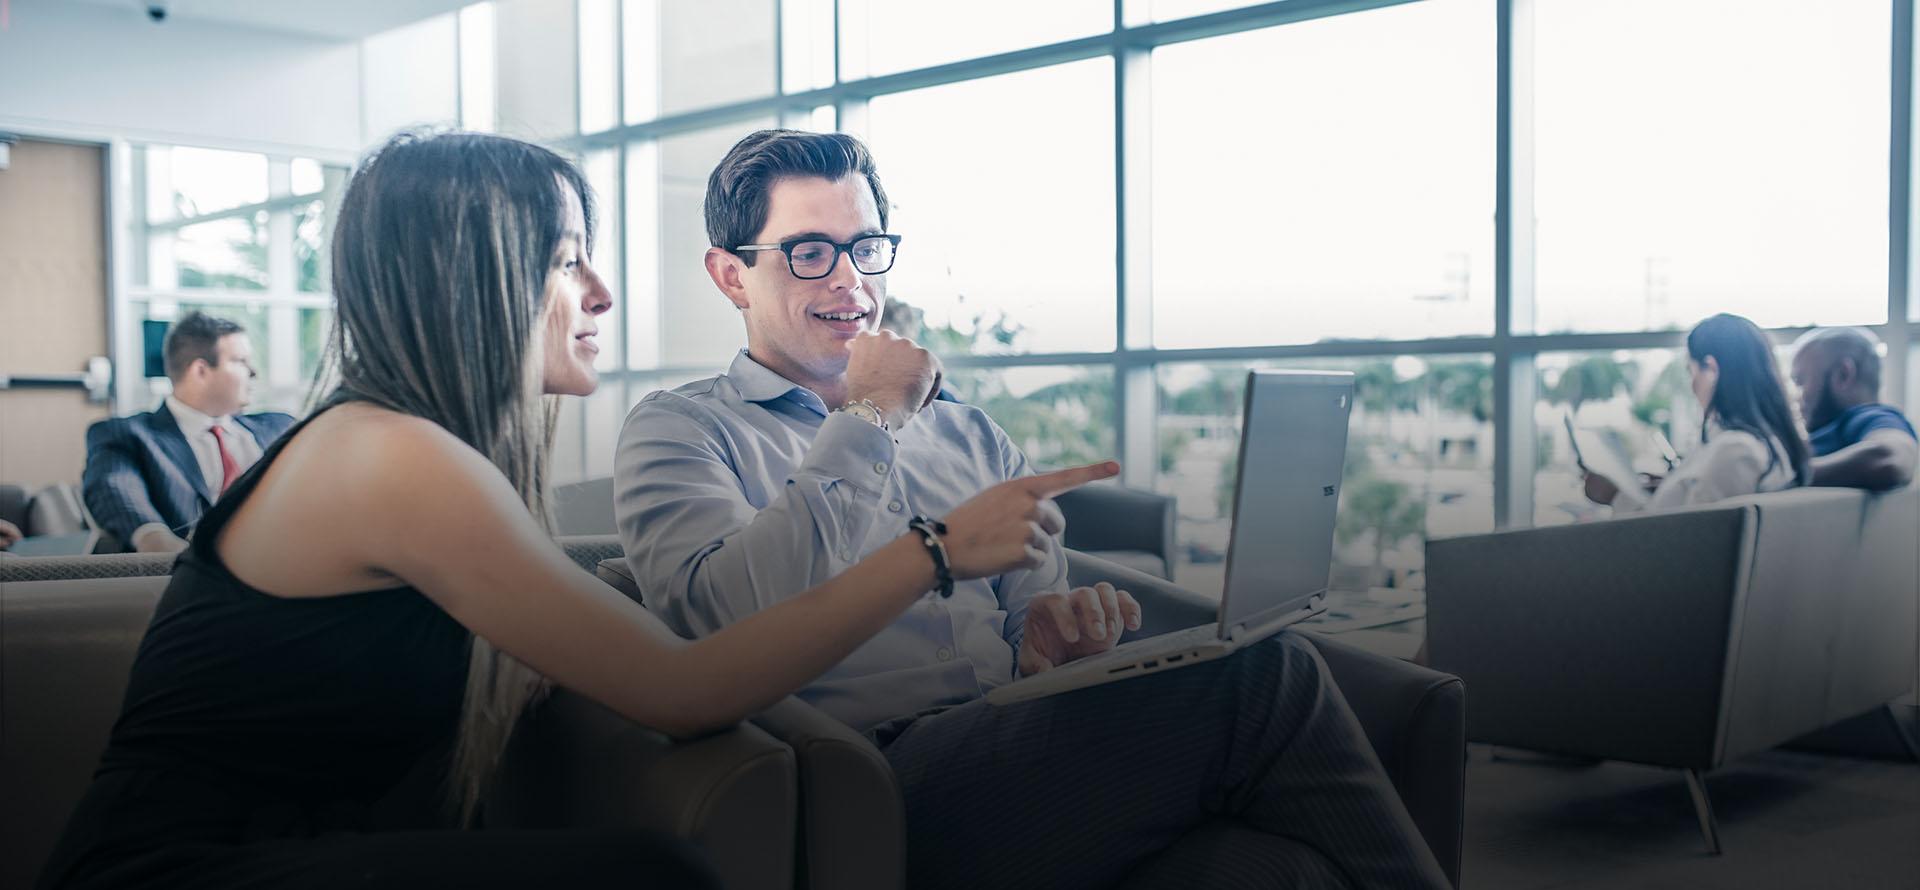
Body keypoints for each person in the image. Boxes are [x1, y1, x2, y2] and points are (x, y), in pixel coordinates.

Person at [38, 132, 1101, 890]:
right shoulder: (389, 456)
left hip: (283, 843)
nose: (599, 292)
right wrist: (932, 550)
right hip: (172, 865)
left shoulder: (417, 453)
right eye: (564, 259)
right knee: (648, 873)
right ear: (473, 282)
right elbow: (692, 687)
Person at [614, 129, 1449, 889]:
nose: (850, 280)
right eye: (807, 253)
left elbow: (1030, 620)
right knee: (1268, 673)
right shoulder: (680, 430)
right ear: (731, 274)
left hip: (1014, 747)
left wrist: (1051, 636)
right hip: (867, 784)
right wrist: (865, 418)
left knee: (1270, 871)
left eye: (865, 247)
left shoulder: (969, 433)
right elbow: (721, 623)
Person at [81, 311, 295, 553]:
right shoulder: (129, 435)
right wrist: (154, 539)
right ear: (200, 371)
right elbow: (115, 487)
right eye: (240, 361)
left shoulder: (280, 427)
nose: (253, 372)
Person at [1585, 313, 1811, 512]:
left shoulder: (1734, 451)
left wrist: (1615, 497)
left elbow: (1681, 541)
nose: (1692, 385)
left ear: (1711, 369)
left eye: (1691, 371)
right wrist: (1673, 487)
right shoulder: (1770, 444)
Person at [1790, 327, 1917, 490]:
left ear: (1843, 374)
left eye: (1800, 381)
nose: (1796, 396)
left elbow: (1890, 458)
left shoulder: (1871, 417)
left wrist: (1789, 476)